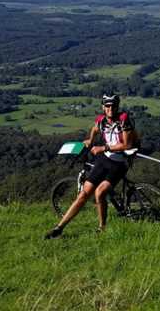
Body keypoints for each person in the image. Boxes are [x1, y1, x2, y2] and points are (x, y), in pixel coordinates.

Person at [45, 92, 135, 238]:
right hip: (104, 160)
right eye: (107, 106)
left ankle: (102, 228)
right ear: (103, 107)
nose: (110, 108)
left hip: (120, 161)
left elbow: (127, 144)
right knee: (84, 194)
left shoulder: (123, 119)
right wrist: (90, 140)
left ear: (117, 106)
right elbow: (94, 129)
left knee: (99, 193)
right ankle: (59, 228)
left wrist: (103, 148)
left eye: (113, 105)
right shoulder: (101, 120)